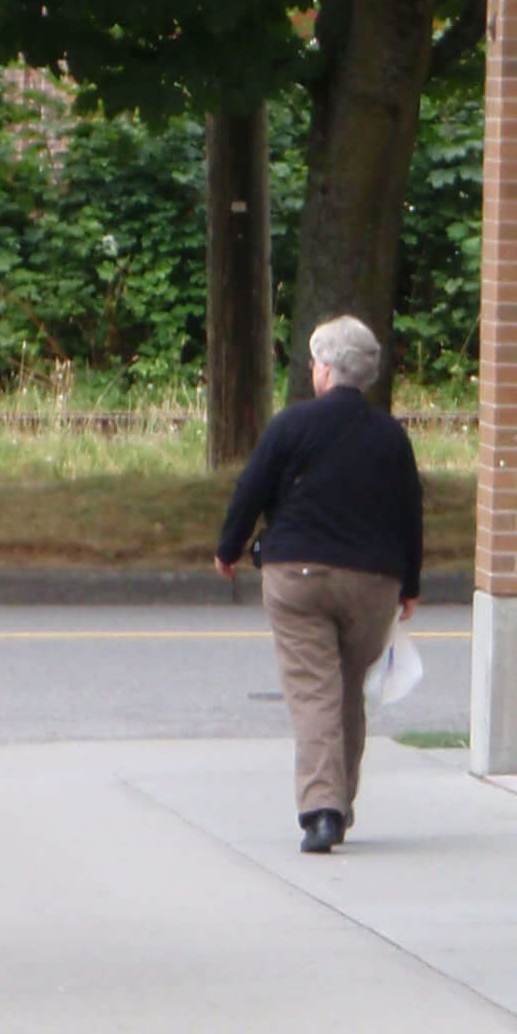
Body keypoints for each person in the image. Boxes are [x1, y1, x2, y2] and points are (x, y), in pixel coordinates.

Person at [214, 317, 424, 853]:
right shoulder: (390, 437)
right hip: (373, 581)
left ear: (327, 369)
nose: (312, 370)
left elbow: (251, 489)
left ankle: (321, 811)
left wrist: (229, 548)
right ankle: (340, 803)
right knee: (345, 689)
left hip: (297, 576)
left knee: (314, 692)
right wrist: (411, 585)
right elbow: (409, 512)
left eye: (314, 362)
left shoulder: (291, 425)